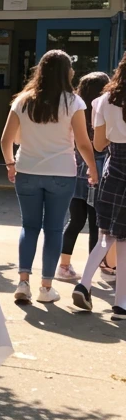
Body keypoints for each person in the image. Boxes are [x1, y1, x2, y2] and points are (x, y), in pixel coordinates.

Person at [0, 49, 97, 304]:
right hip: (62, 173)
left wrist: (10, 164)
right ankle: (46, 287)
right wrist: (93, 169)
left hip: (27, 171)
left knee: (29, 226)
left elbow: (5, 139)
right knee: (54, 228)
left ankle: (23, 282)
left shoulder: (22, 101)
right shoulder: (73, 102)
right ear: (66, 73)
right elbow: (83, 143)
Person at [72, 52, 126, 317]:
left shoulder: (103, 100)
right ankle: (121, 303)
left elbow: (99, 144)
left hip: (114, 168)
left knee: (106, 234)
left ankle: (84, 283)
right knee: (124, 239)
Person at [57, 72, 110, 282]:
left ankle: (63, 265)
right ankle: (93, 269)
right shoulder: (102, 109)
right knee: (98, 223)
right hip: (96, 169)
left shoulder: (75, 108)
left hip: (76, 168)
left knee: (75, 221)